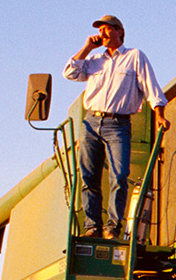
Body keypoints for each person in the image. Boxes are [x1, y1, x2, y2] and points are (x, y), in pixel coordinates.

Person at [63, 15, 170, 239]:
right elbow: (70, 73)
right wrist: (86, 47)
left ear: (120, 32)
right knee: (89, 176)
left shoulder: (134, 57)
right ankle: (92, 227)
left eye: (107, 29)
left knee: (119, 175)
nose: (102, 33)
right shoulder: (94, 60)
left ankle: (112, 227)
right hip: (91, 122)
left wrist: (159, 114)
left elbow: (151, 88)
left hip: (118, 124)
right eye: (100, 29)